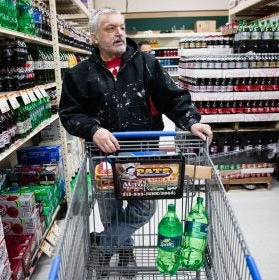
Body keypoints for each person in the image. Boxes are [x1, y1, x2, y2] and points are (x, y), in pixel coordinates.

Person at [58, 6, 212, 277]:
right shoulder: (79, 75)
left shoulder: (147, 64)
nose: (119, 33)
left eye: (122, 27)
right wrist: (93, 129)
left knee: (144, 208)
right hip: (102, 156)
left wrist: (191, 120)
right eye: (110, 28)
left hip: (142, 151)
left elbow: (172, 98)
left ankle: (104, 245)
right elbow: (70, 114)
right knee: (110, 208)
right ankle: (124, 249)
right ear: (94, 37)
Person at [138, 40, 165, 131]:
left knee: (155, 142)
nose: (148, 55)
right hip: (140, 118)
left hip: (156, 116)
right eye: (145, 52)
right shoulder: (134, 72)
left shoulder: (156, 69)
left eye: (150, 52)